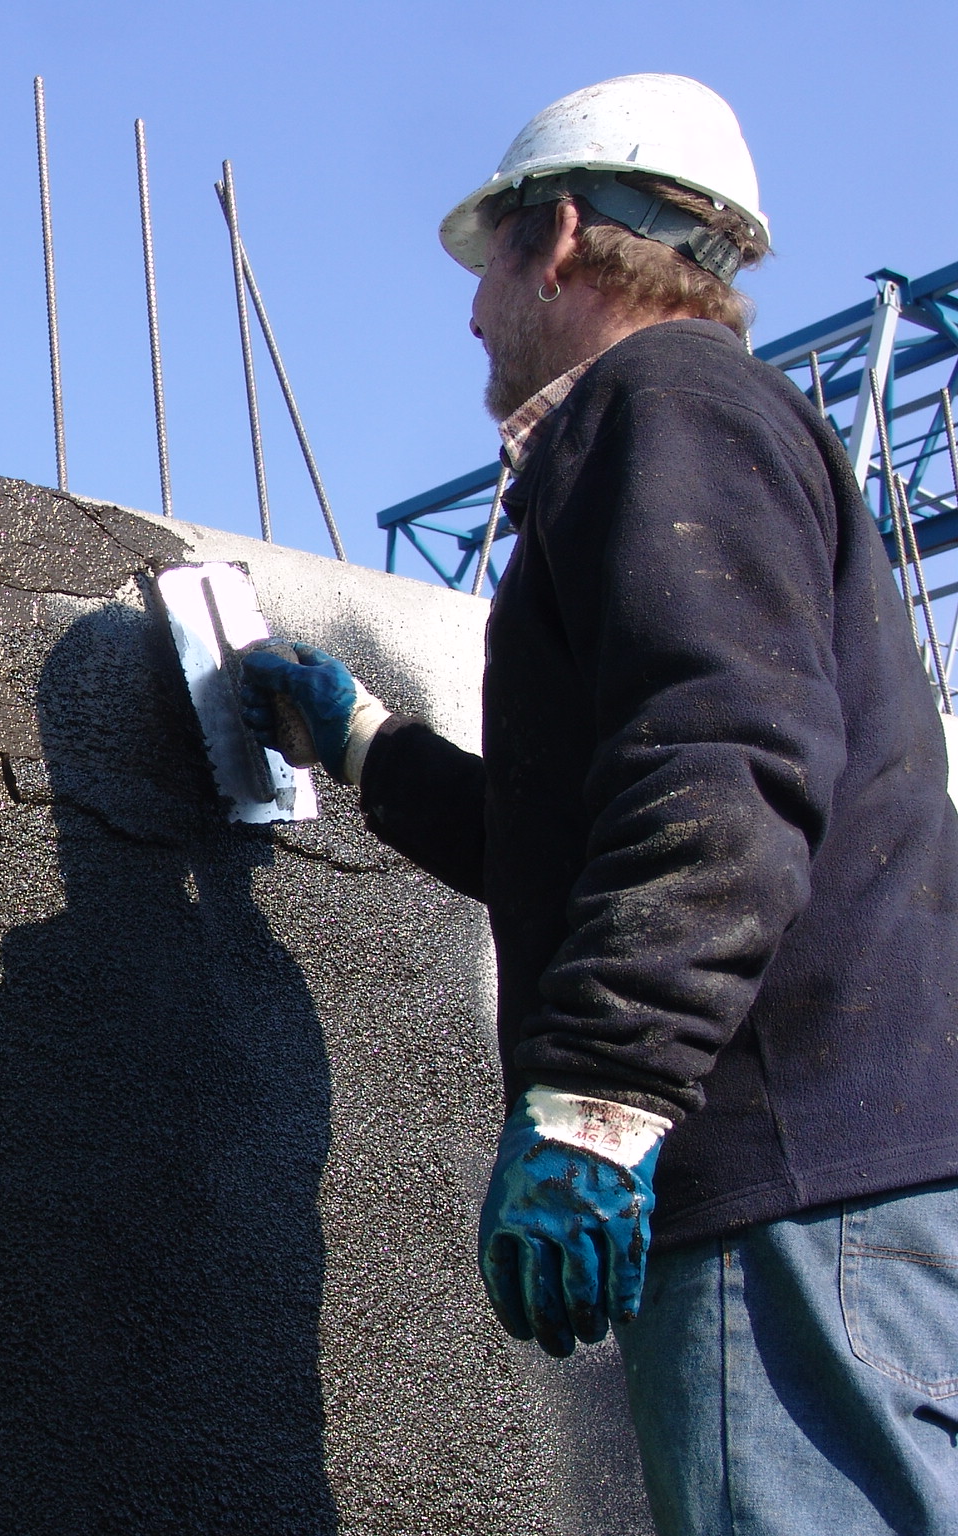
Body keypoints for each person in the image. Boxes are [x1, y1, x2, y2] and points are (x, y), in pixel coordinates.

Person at [238, 74, 958, 1534]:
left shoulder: (662, 403)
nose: (471, 317)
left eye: (487, 269)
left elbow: (725, 761)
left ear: (558, 235)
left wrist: (599, 1104)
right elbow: (570, 832)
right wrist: (364, 738)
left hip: (793, 1199)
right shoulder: (717, 426)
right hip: (845, 1189)